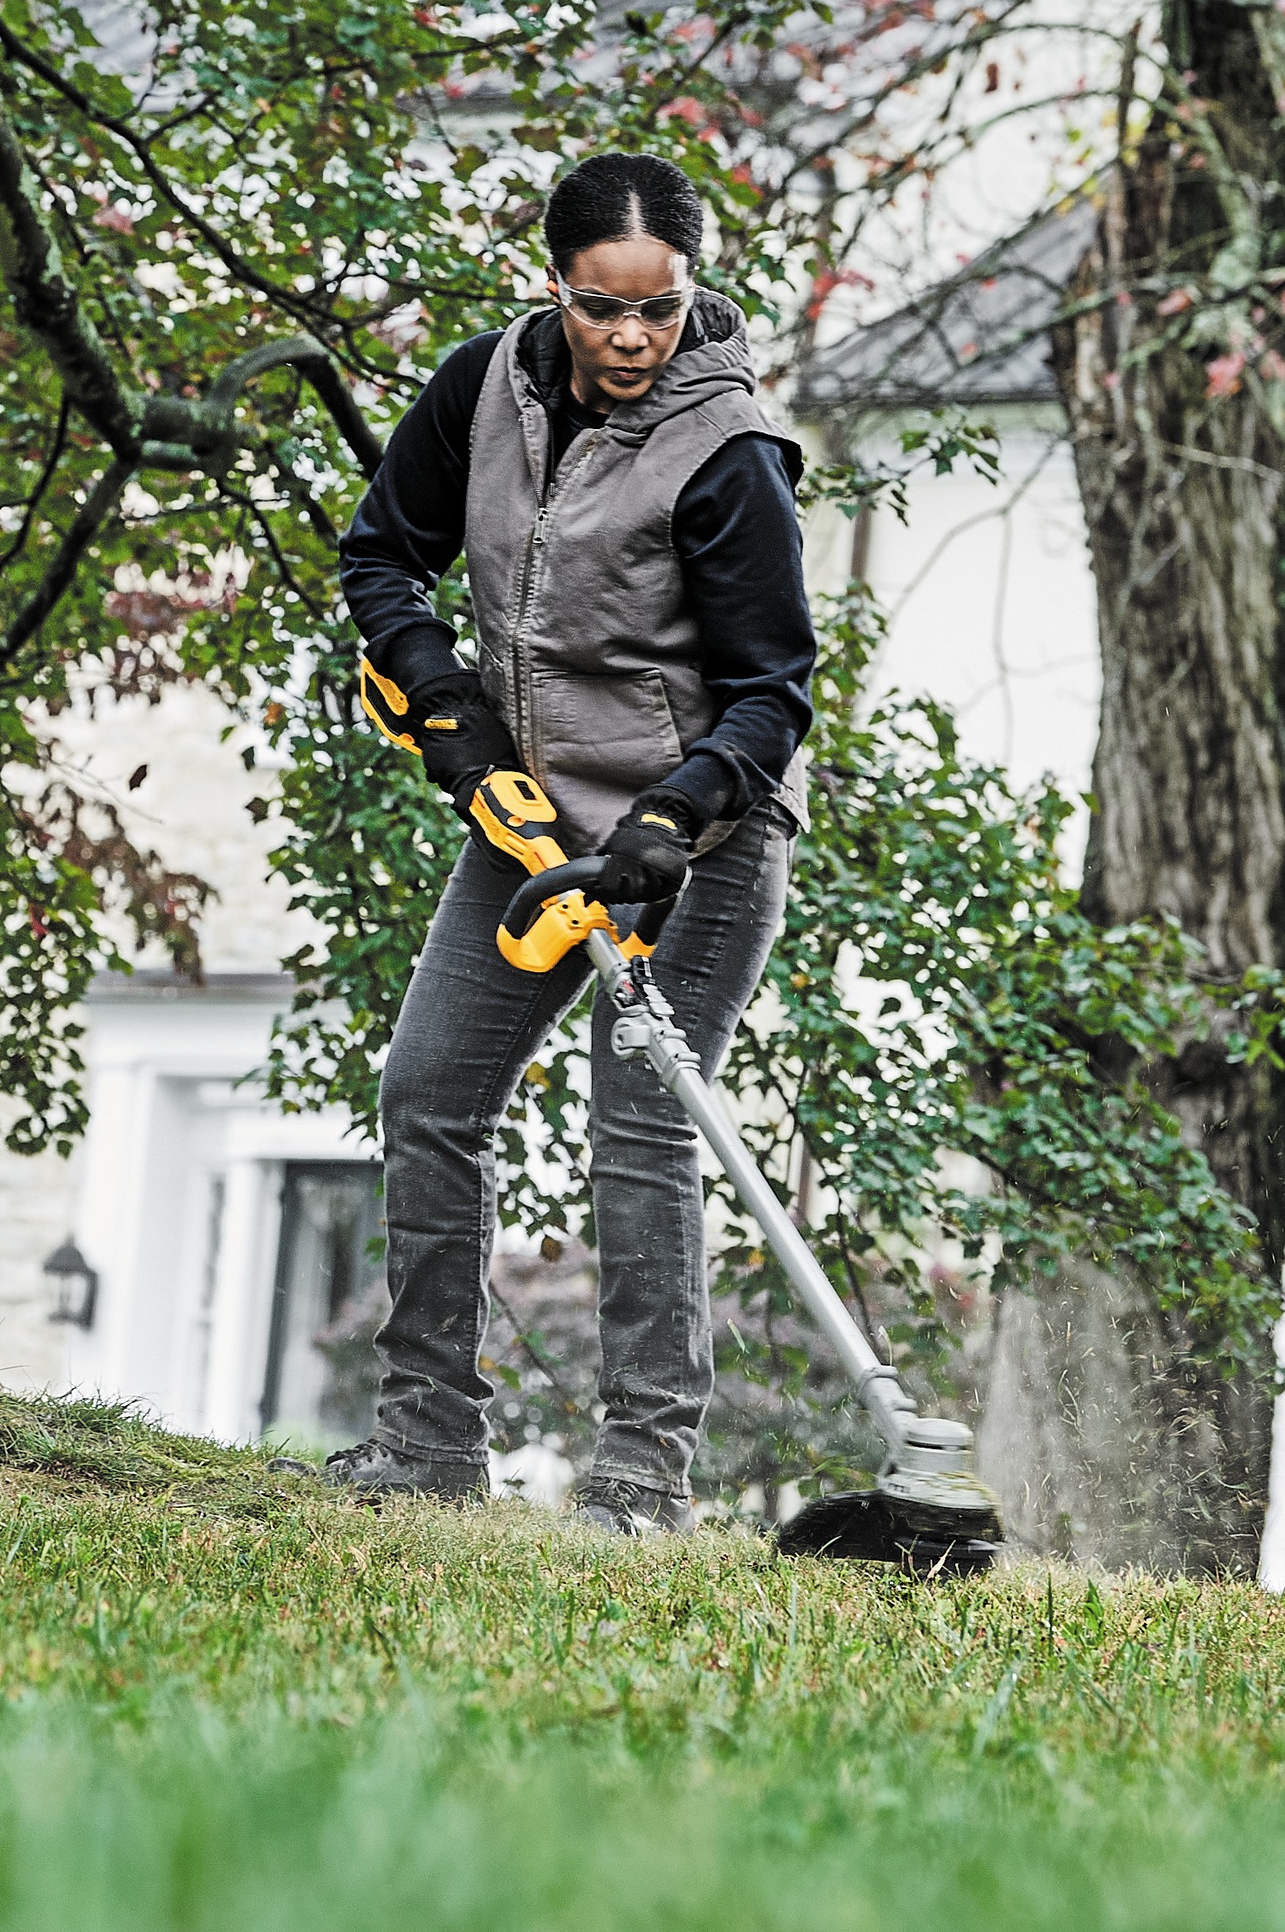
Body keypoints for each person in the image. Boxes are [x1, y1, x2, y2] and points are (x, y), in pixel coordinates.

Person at [323, 150, 816, 1535]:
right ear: (555, 288)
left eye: (659, 311)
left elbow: (776, 692)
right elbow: (382, 559)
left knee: (643, 1127)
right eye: (605, 309)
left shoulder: (728, 457)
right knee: (428, 1090)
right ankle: (425, 1442)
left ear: (689, 297)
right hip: (533, 823)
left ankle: (645, 1477)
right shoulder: (481, 388)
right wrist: (457, 724)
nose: (632, 339)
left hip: (695, 845)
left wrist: (675, 817)